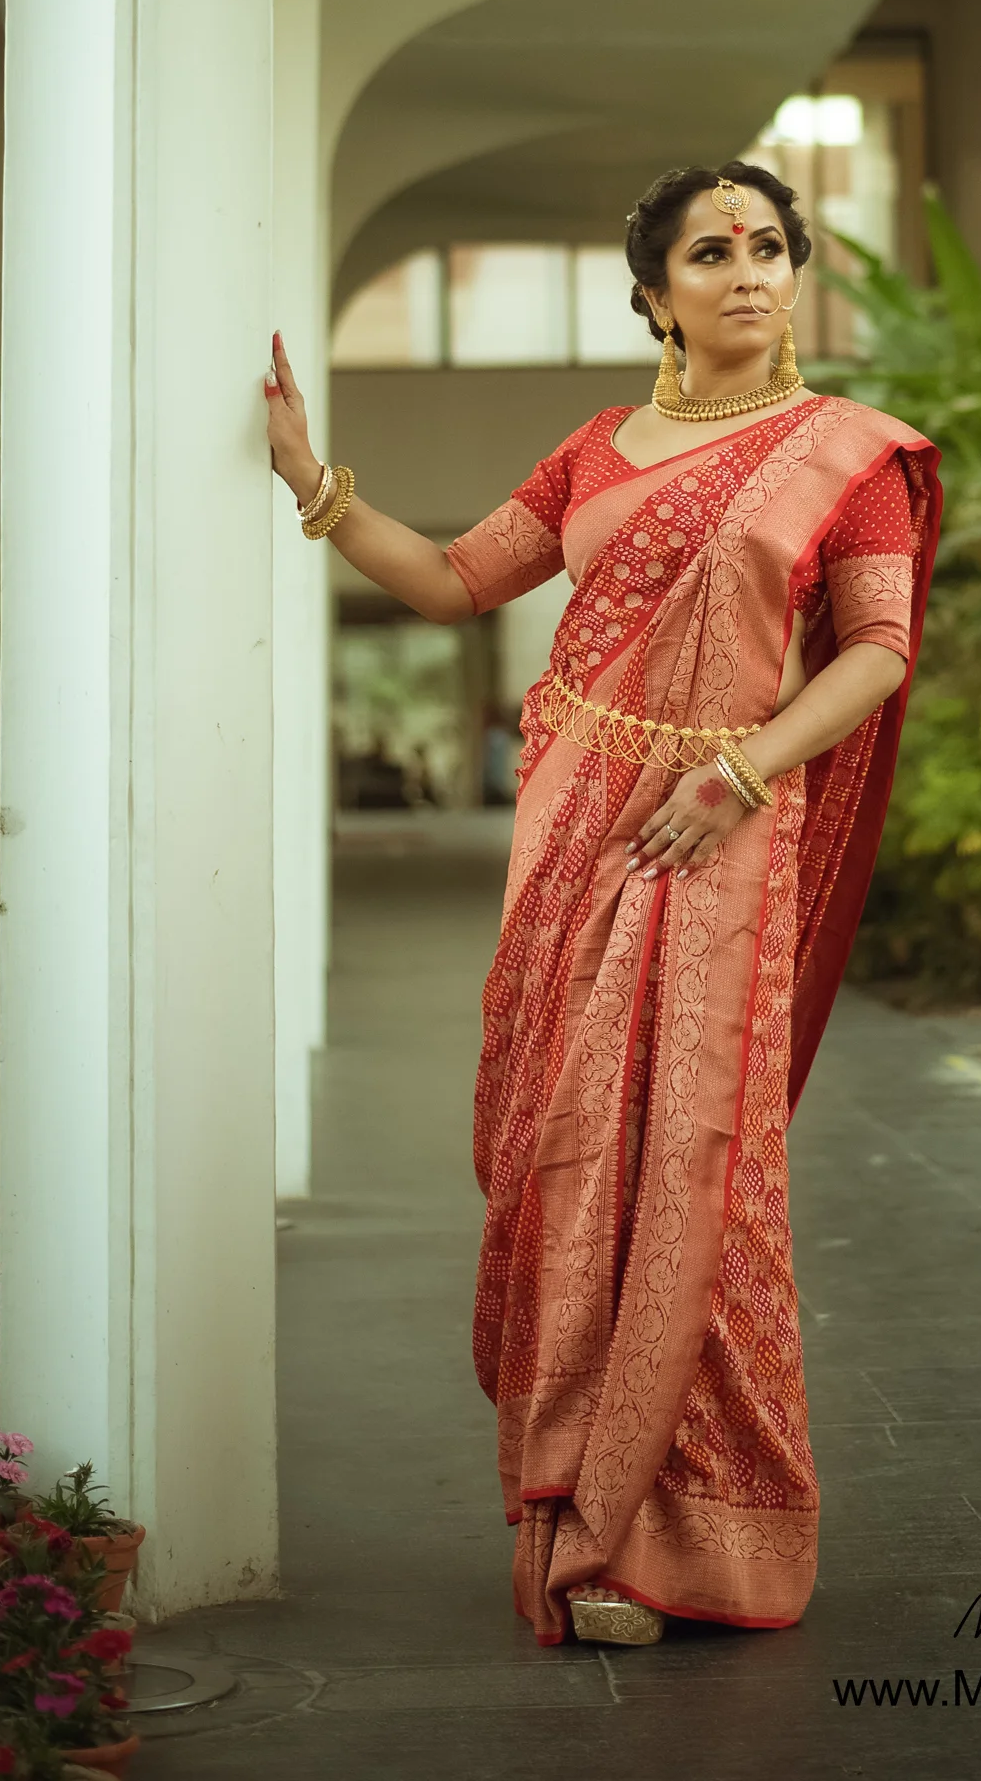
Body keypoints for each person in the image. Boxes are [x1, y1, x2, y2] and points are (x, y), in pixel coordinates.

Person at [265, 161, 940, 1647]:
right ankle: (578, 1505)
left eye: (772, 247)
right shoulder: (590, 453)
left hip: (720, 837)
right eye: (714, 252)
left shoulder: (851, 454)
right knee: (567, 1150)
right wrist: (312, 480)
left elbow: (878, 653)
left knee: (692, 1166)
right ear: (653, 296)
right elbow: (450, 583)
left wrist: (745, 773)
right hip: (574, 833)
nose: (752, 274)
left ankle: (677, 1535)